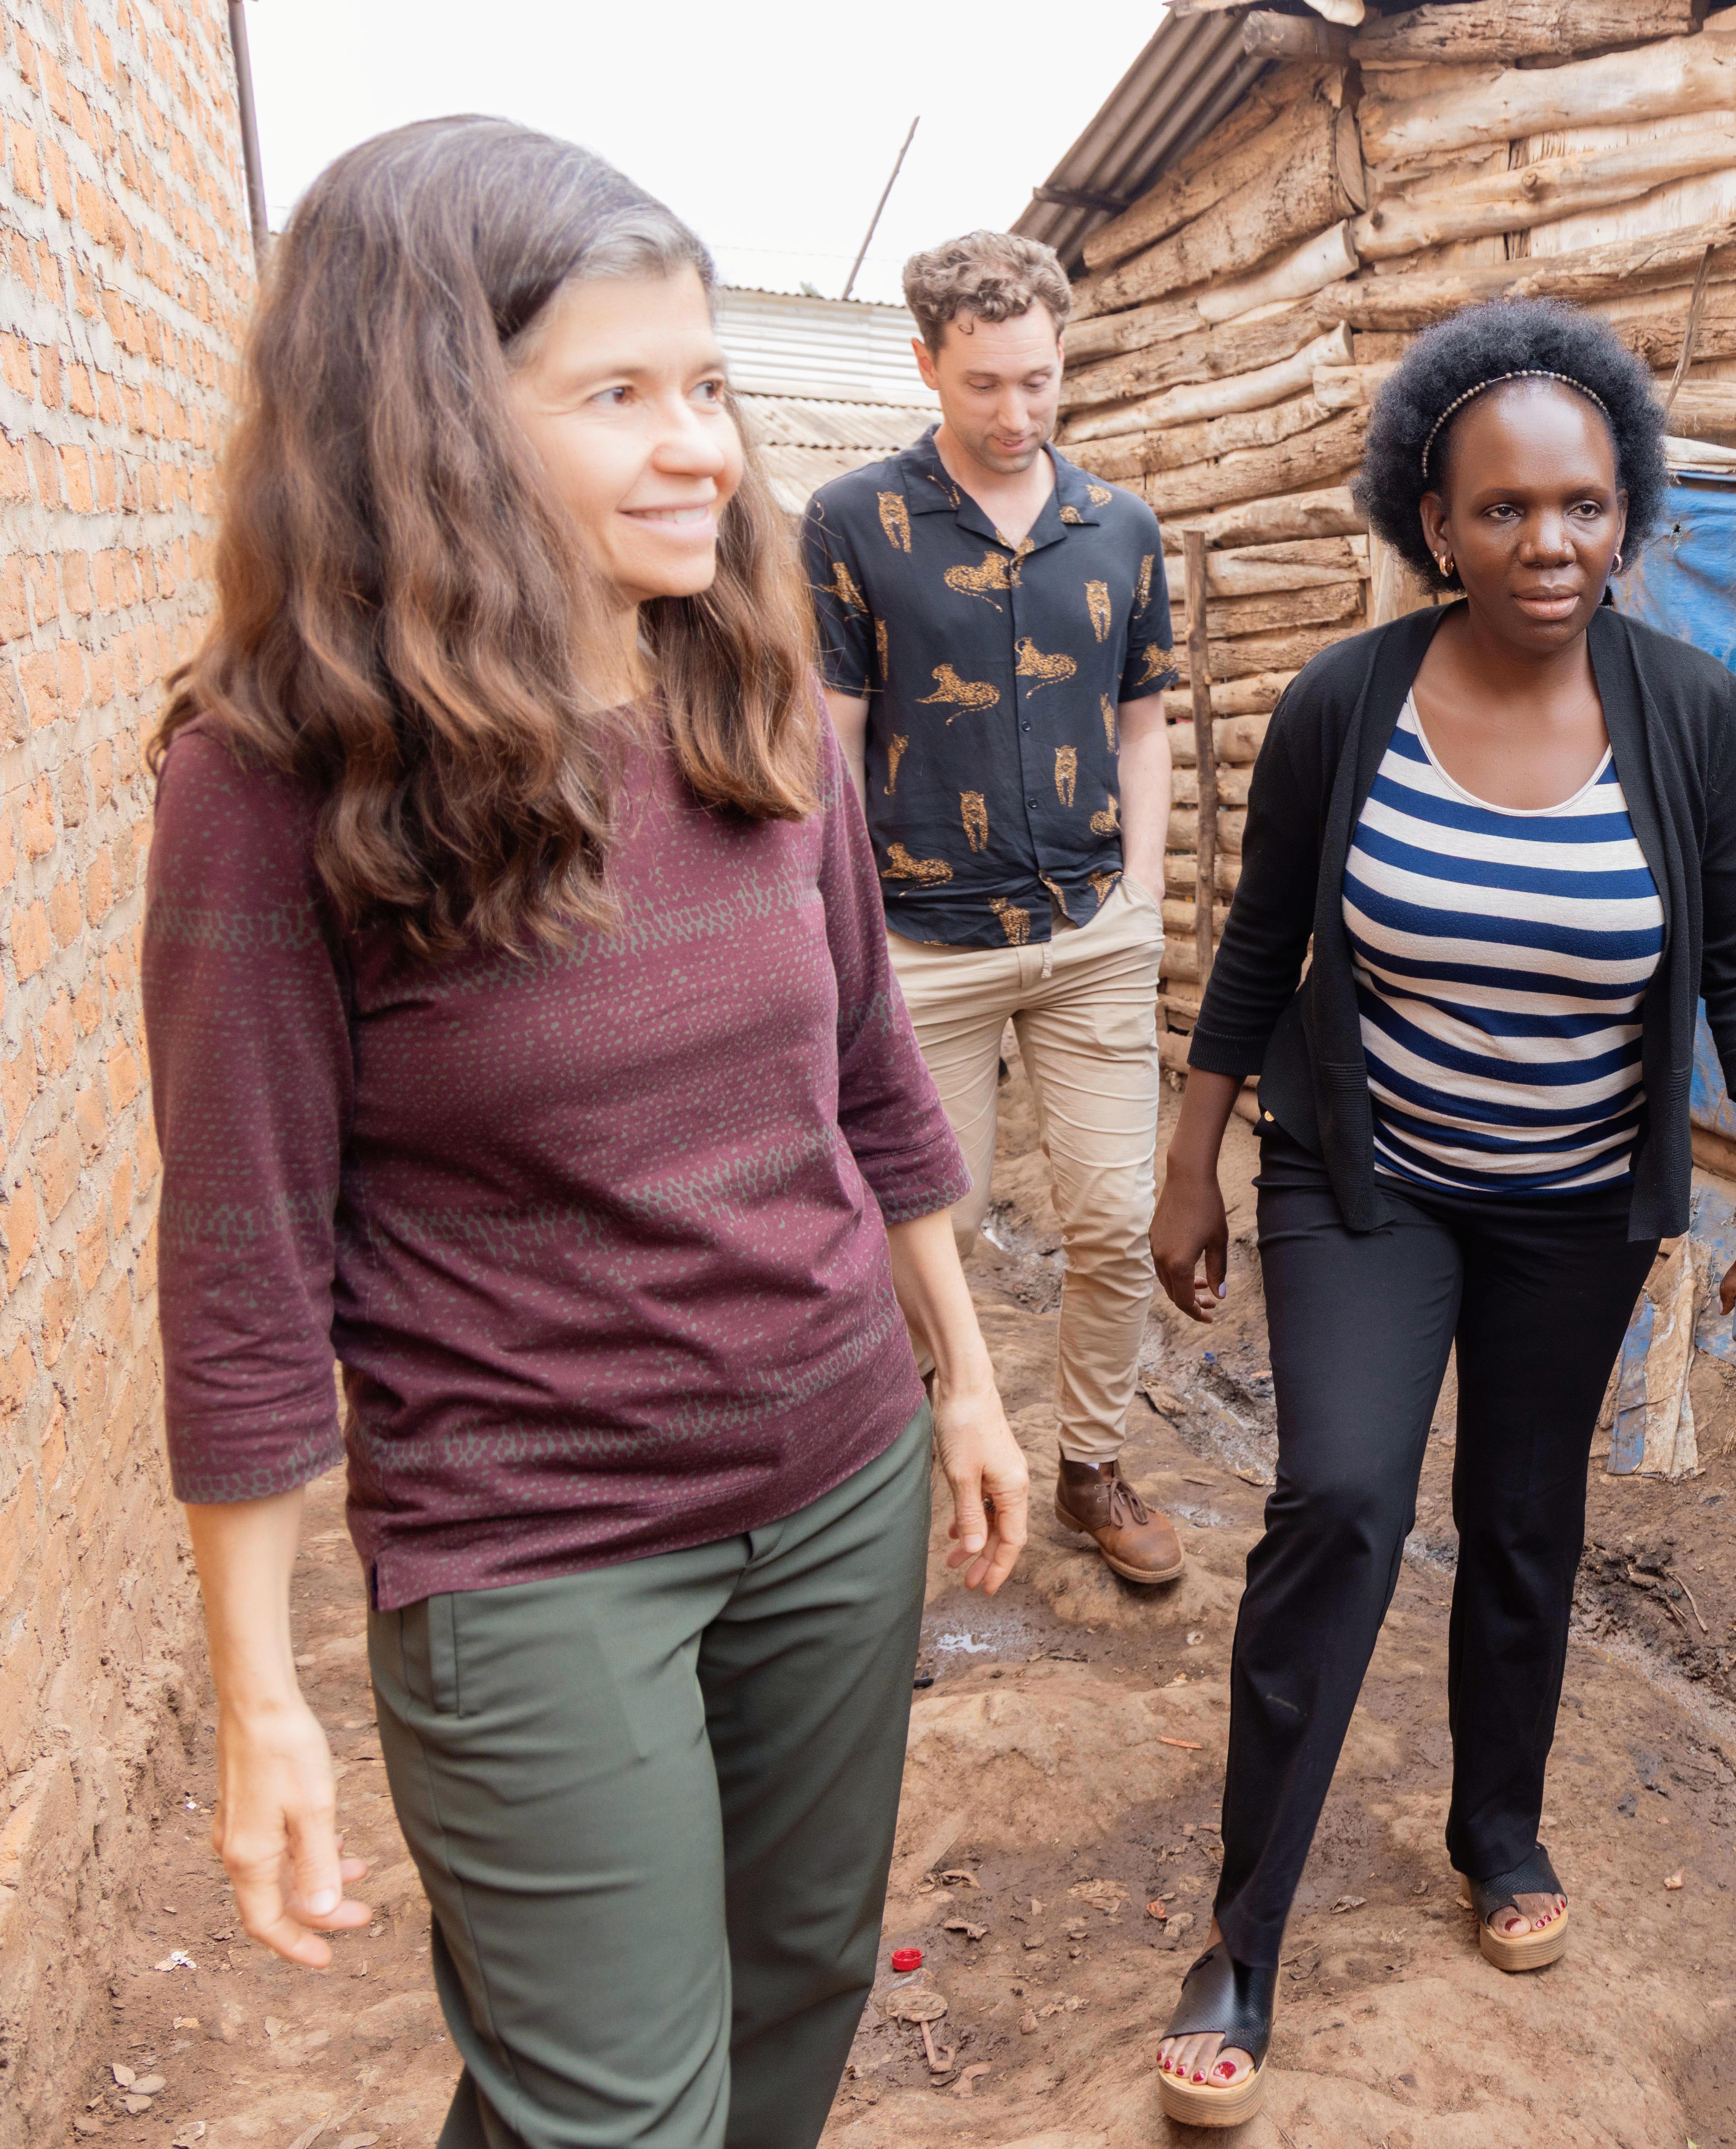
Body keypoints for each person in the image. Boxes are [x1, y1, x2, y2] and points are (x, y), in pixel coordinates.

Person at [142, 120, 1029, 2148]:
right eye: (615, 394)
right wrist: (261, 1689)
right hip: (534, 1553)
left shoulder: (761, 706)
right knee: (615, 2108)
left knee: (793, 1999)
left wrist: (961, 1384)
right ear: (432, 426)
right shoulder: (278, 782)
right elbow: (245, 1256)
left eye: (706, 383)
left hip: (834, 1481)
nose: (700, 446)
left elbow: (870, 1083)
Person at [1141, 299, 1736, 2127]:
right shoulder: (1342, 703)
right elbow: (1253, 945)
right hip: (1360, 1179)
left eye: (1587, 507)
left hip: (1581, 1199)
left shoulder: (1686, 716)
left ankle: (1498, 1823)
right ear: (1431, 523)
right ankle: (1243, 1933)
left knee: (1526, 1518)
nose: (1551, 544)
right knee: (1343, 1500)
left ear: (1630, 515)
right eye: (1507, 510)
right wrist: (1187, 1159)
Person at [801, 230, 1188, 1587]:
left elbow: (1143, 724)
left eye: (1038, 381)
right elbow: (830, 743)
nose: (1016, 414)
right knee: (926, 1236)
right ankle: (911, 1497)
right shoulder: (855, 524)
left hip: (1088, 935)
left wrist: (1140, 892)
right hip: (919, 947)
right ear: (926, 366)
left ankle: (1090, 1466)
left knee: (1111, 1216)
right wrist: (842, 938)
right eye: (984, 386)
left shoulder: (1121, 528)